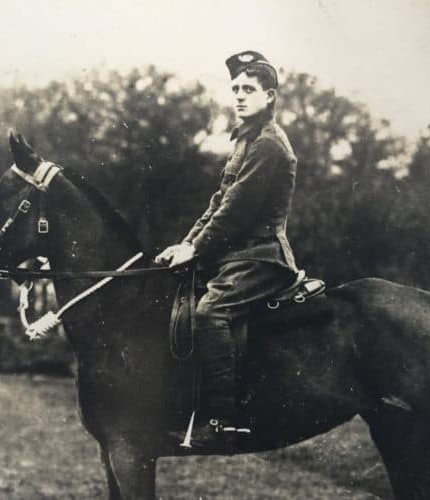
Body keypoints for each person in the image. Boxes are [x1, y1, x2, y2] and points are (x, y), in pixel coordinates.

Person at [156, 50, 302, 447]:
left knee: (210, 312)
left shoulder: (269, 144)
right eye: (235, 88)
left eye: (249, 89)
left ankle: (223, 422)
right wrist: (186, 244)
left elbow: (236, 212)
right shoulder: (247, 140)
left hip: (261, 256)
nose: (238, 95)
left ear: (269, 96)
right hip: (237, 257)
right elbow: (217, 203)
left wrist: (197, 248)